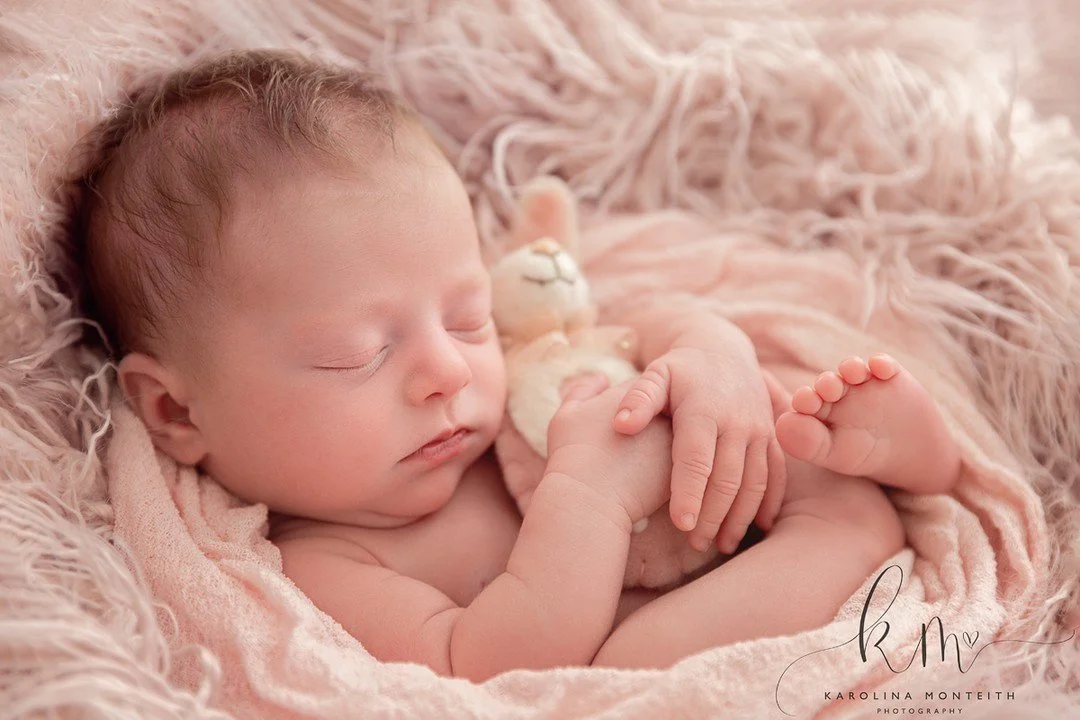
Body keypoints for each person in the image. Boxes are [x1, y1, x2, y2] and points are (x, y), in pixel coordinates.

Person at [74, 49, 962, 682]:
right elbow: (496, 667)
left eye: (467, 318)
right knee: (633, 666)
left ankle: (901, 456)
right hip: (697, 602)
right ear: (177, 414)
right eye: (360, 353)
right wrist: (590, 496)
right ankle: (861, 521)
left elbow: (621, 327)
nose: (448, 374)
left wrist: (711, 353)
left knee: (757, 418)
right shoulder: (327, 566)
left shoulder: (491, 385)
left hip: (727, 493)